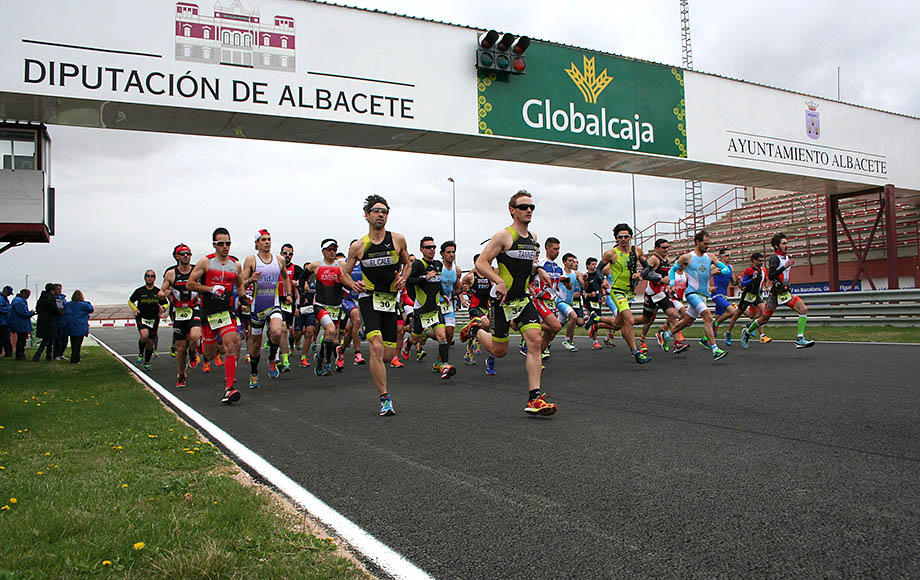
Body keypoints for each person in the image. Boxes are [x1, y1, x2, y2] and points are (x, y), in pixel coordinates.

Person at [459, 190, 557, 415]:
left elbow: (523, 265)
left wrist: (539, 270)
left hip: (522, 299)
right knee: (499, 351)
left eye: (532, 207)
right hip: (501, 300)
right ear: (512, 210)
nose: (529, 210)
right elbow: (482, 263)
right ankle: (476, 330)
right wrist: (497, 280)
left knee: (534, 341)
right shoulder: (504, 236)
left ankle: (534, 398)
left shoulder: (532, 237)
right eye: (524, 207)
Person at [341, 194, 411, 416]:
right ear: (367, 215)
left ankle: (371, 341)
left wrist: (404, 278)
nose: (381, 214)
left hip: (389, 300)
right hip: (369, 297)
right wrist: (353, 284)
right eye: (377, 211)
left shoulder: (398, 240)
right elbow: (343, 273)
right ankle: (385, 398)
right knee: (377, 346)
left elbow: (408, 264)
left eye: (385, 211)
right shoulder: (359, 246)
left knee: (388, 355)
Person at [187, 227, 248, 405]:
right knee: (210, 353)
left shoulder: (235, 265)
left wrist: (244, 298)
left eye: (227, 243)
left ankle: (229, 388)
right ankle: (198, 346)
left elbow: (239, 283)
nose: (225, 247)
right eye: (221, 243)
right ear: (214, 244)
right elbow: (191, 284)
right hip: (208, 313)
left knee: (231, 345)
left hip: (226, 312)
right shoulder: (206, 263)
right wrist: (210, 289)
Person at [742, 232, 816, 349]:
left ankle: (800, 339)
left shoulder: (786, 257)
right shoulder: (774, 258)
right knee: (764, 319)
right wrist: (785, 266)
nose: (787, 246)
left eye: (787, 243)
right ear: (777, 246)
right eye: (784, 243)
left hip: (785, 293)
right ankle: (747, 331)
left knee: (803, 309)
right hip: (775, 295)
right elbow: (771, 276)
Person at [664, 230, 729, 361]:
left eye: (709, 243)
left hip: (703, 295)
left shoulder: (710, 257)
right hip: (691, 293)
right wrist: (672, 284)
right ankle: (715, 349)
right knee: (708, 316)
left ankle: (667, 335)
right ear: (697, 242)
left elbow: (725, 269)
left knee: (687, 321)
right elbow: (672, 270)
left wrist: (722, 270)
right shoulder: (687, 257)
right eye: (705, 243)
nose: (707, 246)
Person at [241, 229, 294, 387]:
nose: (267, 242)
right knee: (256, 344)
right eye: (263, 239)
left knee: (278, 332)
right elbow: (241, 283)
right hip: (257, 307)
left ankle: (272, 358)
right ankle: (254, 373)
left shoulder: (279, 259)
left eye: (269, 239)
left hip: (274, 304)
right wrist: (251, 279)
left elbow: (285, 277)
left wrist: (289, 293)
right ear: (257, 243)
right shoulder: (251, 260)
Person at [594, 224, 651, 364]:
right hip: (617, 291)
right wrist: (603, 280)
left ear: (631, 237)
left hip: (630, 292)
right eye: (620, 237)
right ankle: (636, 352)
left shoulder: (637, 251)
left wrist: (640, 274)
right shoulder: (611, 254)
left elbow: (648, 267)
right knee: (629, 320)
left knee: (618, 324)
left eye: (626, 236)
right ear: (616, 238)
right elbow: (598, 270)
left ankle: (596, 320)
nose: (623, 239)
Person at [406, 236, 456, 380]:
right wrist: (424, 278)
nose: (431, 250)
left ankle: (444, 365)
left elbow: (438, 282)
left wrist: (443, 294)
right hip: (421, 309)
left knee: (442, 336)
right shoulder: (417, 265)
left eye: (433, 247)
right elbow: (408, 282)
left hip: (435, 308)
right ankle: (407, 343)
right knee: (416, 338)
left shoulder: (438, 265)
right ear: (422, 249)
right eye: (428, 247)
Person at [159, 243, 202, 387]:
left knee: (195, 336)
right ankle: (181, 374)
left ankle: (193, 351)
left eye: (188, 253)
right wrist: (163, 294)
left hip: (194, 308)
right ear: (176, 256)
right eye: (183, 253)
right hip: (178, 312)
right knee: (181, 347)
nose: (186, 256)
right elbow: (161, 291)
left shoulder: (197, 270)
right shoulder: (171, 273)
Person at [303, 239, 346, 376]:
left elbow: (349, 281)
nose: (332, 252)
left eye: (334, 249)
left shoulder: (341, 265)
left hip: (336, 306)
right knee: (330, 329)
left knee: (333, 338)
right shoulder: (316, 265)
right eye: (329, 249)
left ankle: (320, 357)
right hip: (321, 305)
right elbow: (303, 276)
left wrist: (344, 281)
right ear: (323, 251)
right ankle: (328, 363)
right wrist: (302, 287)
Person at [129, 270, 166, 371]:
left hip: (154, 319)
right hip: (142, 317)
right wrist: (135, 309)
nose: (150, 278)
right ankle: (141, 353)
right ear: (145, 278)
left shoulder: (158, 292)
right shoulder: (139, 291)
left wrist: (163, 308)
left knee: (150, 343)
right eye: (148, 276)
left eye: (152, 276)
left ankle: (147, 362)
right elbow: (130, 301)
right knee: (144, 335)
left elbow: (165, 303)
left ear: (155, 278)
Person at [64, 290, 93, 364]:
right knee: (78, 343)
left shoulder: (68, 305)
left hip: (71, 326)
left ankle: (75, 357)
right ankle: (75, 358)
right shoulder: (83, 305)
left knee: (73, 343)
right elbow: (91, 309)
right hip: (80, 326)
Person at [32, 284, 59, 362]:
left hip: (42, 321)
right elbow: (54, 310)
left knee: (49, 339)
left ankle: (48, 356)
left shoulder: (41, 299)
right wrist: (60, 311)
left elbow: (38, 309)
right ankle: (37, 355)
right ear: (52, 290)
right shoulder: (51, 299)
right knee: (47, 339)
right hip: (50, 321)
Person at [10, 289, 34, 360]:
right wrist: (30, 313)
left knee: (22, 340)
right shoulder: (19, 301)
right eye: (27, 295)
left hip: (20, 323)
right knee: (21, 340)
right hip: (20, 323)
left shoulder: (18, 300)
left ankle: (21, 354)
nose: (28, 297)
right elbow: (22, 313)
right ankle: (19, 355)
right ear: (23, 293)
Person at [52, 283, 68, 360]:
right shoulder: (53, 298)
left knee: (64, 339)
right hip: (57, 321)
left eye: (60, 289)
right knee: (58, 339)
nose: (60, 290)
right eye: (58, 289)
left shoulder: (63, 298)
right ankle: (56, 354)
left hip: (64, 321)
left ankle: (61, 353)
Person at [0, 285, 13, 357]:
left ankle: (8, 352)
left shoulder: (5, 299)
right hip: (1, 322)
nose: (8, 295)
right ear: (5, 291)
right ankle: (7, 352)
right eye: (8, 293)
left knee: (6, 338)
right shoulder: (1, 299)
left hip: (4, 322)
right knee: (3, 338)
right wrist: (9, 308)